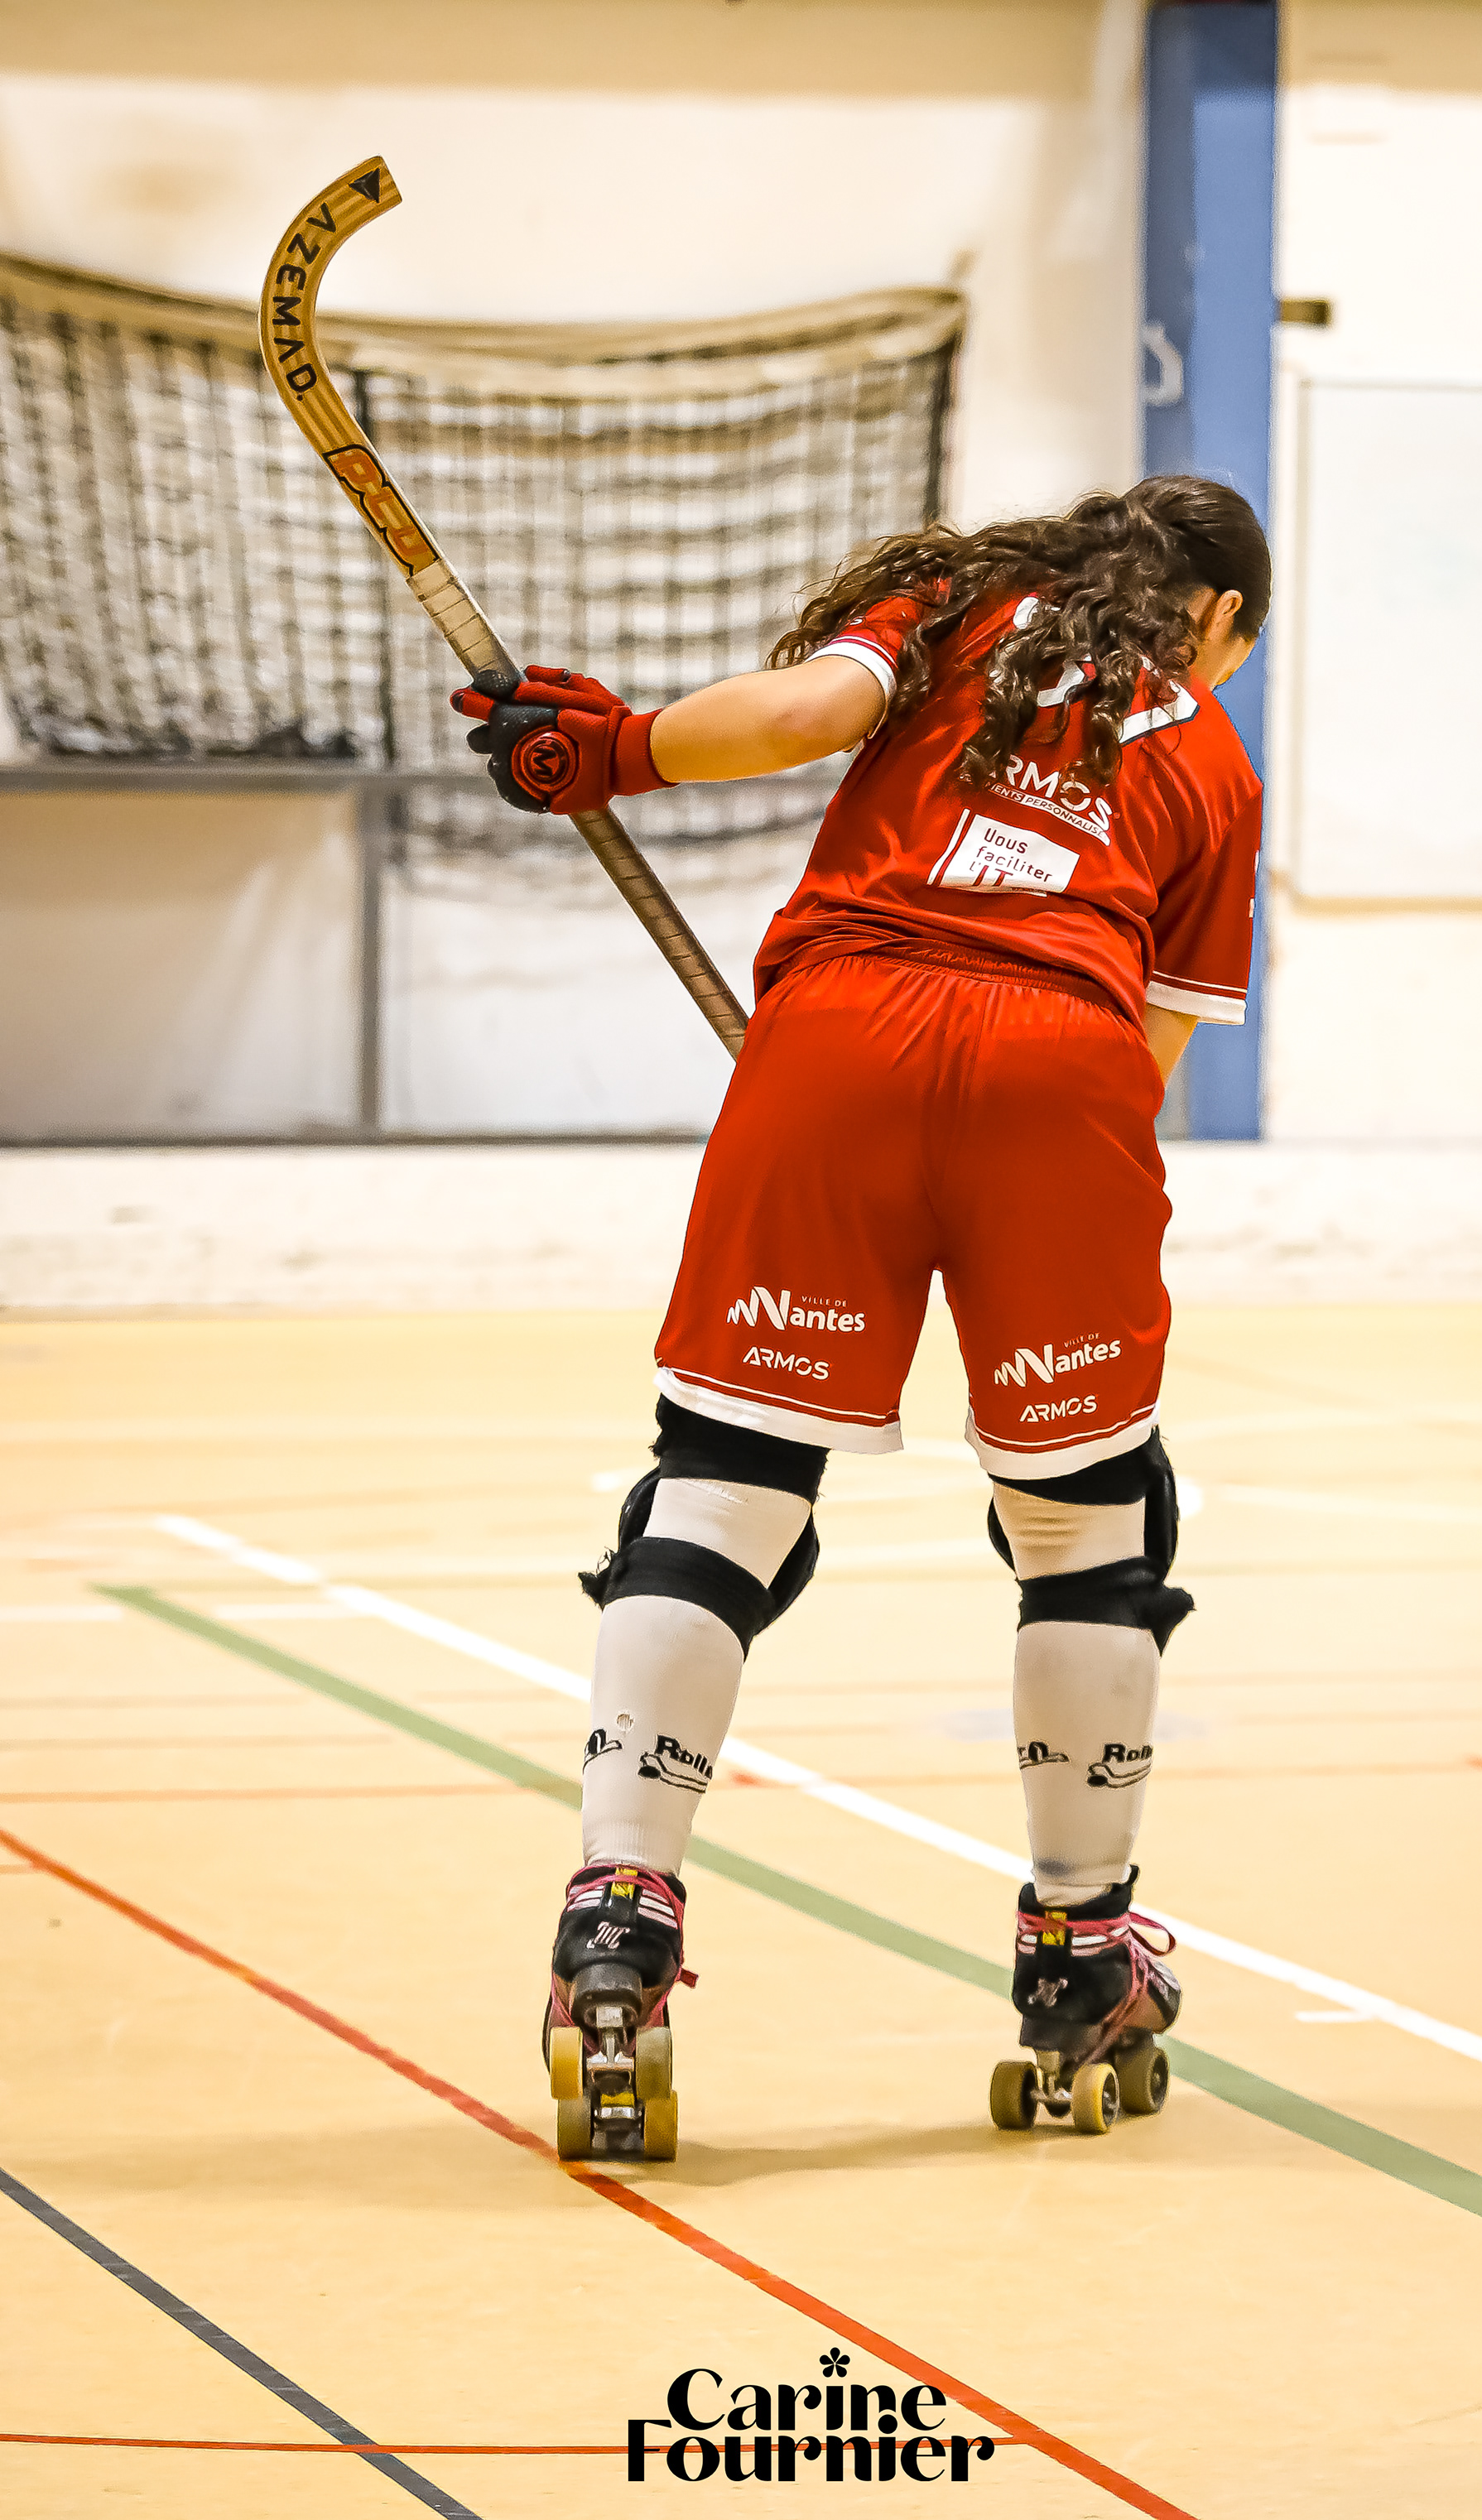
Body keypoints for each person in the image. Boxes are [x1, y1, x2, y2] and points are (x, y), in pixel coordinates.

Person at [454, 474, 1268, 2156]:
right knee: (1092, 1525)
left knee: (723, 1490)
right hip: (1066, 1070)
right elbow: (1155, 1051)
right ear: (1221, 621)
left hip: (834, 1037)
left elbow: (796, 717)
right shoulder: (1214, 755)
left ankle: (619, 1916)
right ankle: (1081, 1949)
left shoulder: (958, 612)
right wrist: (1009, 1126)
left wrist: (614, 753)